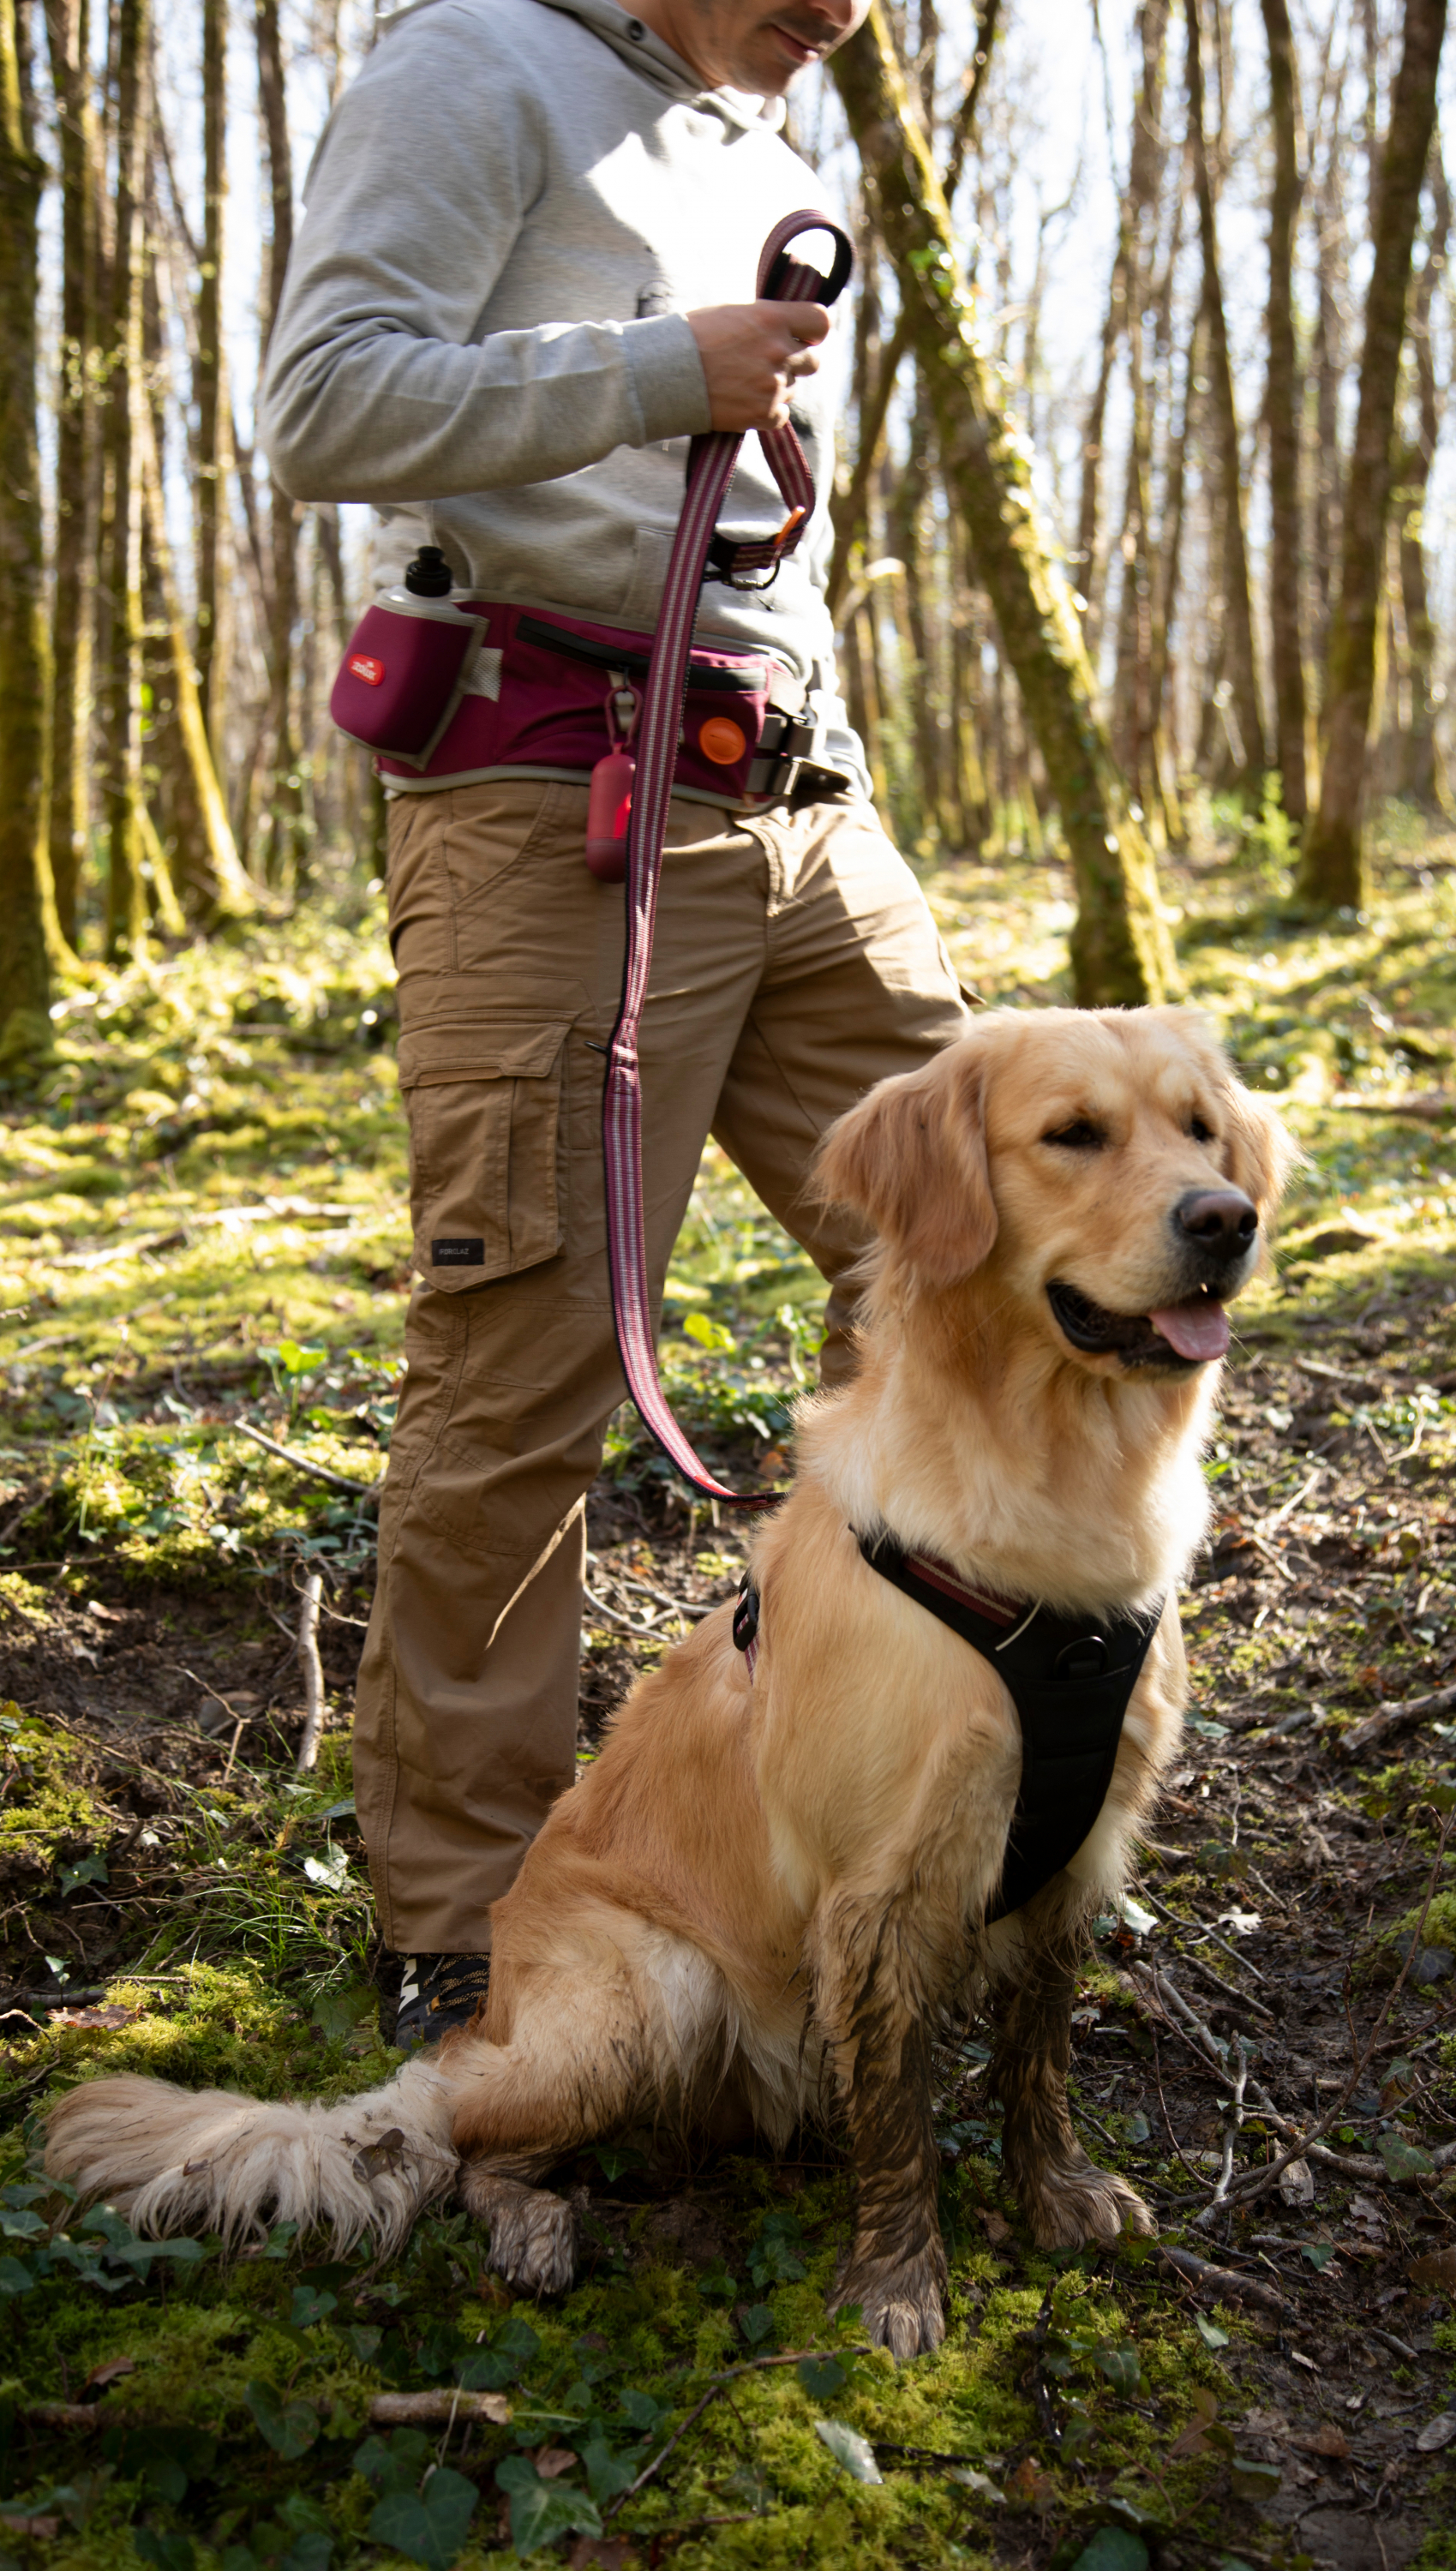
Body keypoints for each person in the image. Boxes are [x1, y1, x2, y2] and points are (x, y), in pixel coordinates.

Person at [261, 0, 968, 2047]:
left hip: (798, 804)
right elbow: (320, 410)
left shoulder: (752, 133)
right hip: (549, 799)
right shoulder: (470, 63)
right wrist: (664, 367)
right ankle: (464, 1936)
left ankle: (903, 1814)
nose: (846, 11)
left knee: (995, 1259)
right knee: (523, 1357)